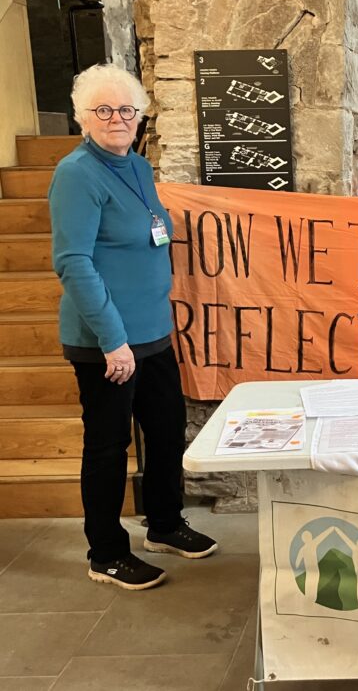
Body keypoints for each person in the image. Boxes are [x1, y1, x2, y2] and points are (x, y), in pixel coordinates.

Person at [49, 64, 217, 591]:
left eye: (126, 109)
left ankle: (164, 524)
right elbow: (73, 262)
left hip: (152, 333)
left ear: (140, 116)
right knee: (108, 445)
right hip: (107, 341)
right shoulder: (76, 174)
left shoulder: (139, 167)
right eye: (103, 109)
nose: (117, 118)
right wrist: (113, 340)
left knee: (167, 430)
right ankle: (105, 553)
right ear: (82, 117)